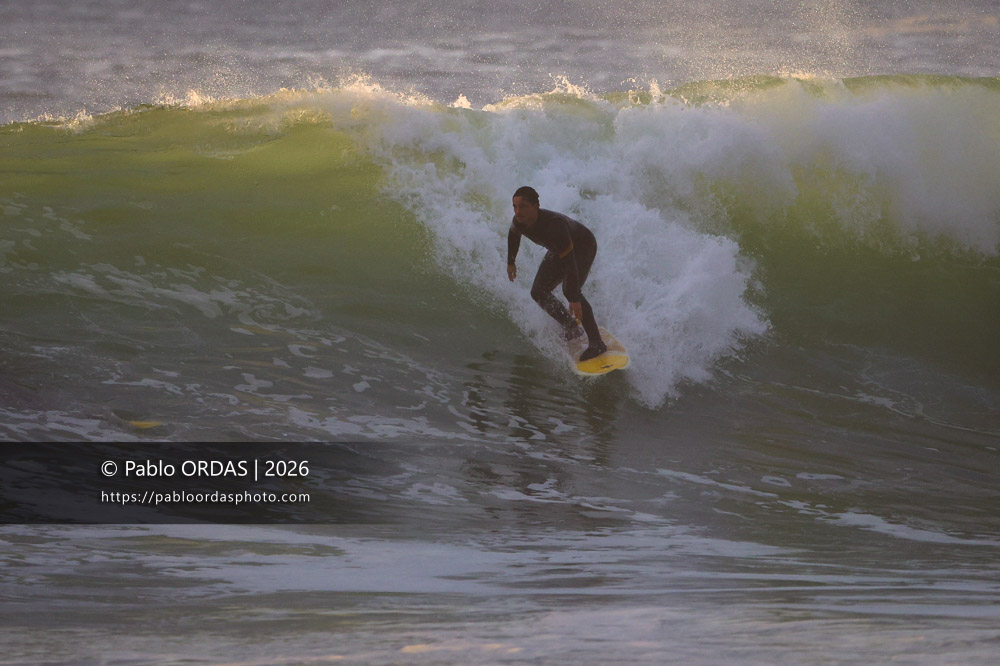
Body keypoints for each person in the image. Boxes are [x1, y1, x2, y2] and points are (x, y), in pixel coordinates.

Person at [506, 186, 607, 361]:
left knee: (571, 291)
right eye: (515, 206)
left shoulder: (554, 226)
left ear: (536, 206)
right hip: (558, 249)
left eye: (522, 207)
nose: (517, 211)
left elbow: (570, 263)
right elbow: (513, 236)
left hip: (583, 246)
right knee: (538, 292)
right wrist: (511, 261)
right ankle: (571, 326)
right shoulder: (519, 221)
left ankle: (597, 343)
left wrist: (574, 298)